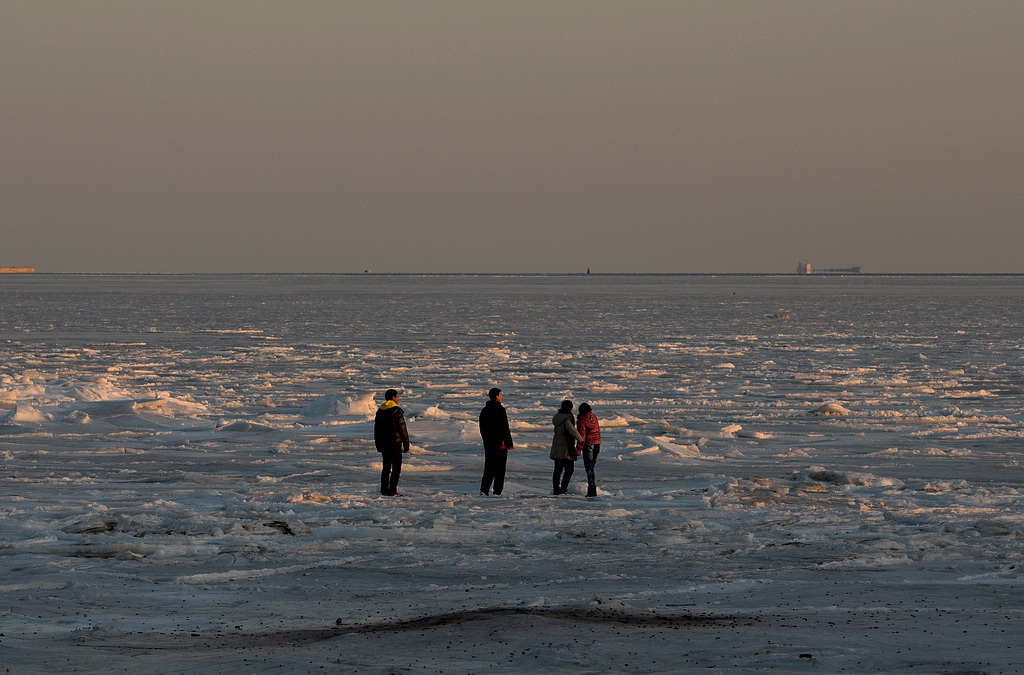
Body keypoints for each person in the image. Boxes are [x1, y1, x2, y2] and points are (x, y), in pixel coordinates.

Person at [374, 388, 410, 496]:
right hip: (395, 444)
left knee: (386, 468)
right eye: (397, 397)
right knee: (396, 468)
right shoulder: (397, 411)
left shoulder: (380, 411)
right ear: (393, 398)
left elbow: (377, 430)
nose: (398, 399)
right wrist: (406, 444)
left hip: (384, 444)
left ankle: (384, 490)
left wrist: (378, 445)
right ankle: (392, 491)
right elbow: (402, 429)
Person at [479, 387, 514, 495]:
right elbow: (504, 427)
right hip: (500, 445)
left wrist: (486, 441)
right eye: (500, 395)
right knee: (500, 470)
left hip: (489, 444)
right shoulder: (500, 410)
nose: (502, 397)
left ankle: (484, 490)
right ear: (496, 396)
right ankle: (497, 492)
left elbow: (482, 428)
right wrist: (509, 444)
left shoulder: (484, 410)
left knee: (489, 468)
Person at [550, 399, 584, 495]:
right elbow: (571, 429)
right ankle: (563, 489)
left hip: (556, 446)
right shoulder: (568, 417)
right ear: (571, 408)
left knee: (558, 469)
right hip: (565, 447)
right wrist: (581, 439)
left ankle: (556, 489)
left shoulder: (557, 417)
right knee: (569, 469)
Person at [576, 402, 602, 498]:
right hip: (597, 444)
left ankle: (592, 490)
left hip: (588, 445)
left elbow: (581, 436)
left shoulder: (581, 421)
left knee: (589, 468)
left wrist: (578, 449)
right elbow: (598, 430)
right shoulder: (594, 417)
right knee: (592, 467)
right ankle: (592, 488)